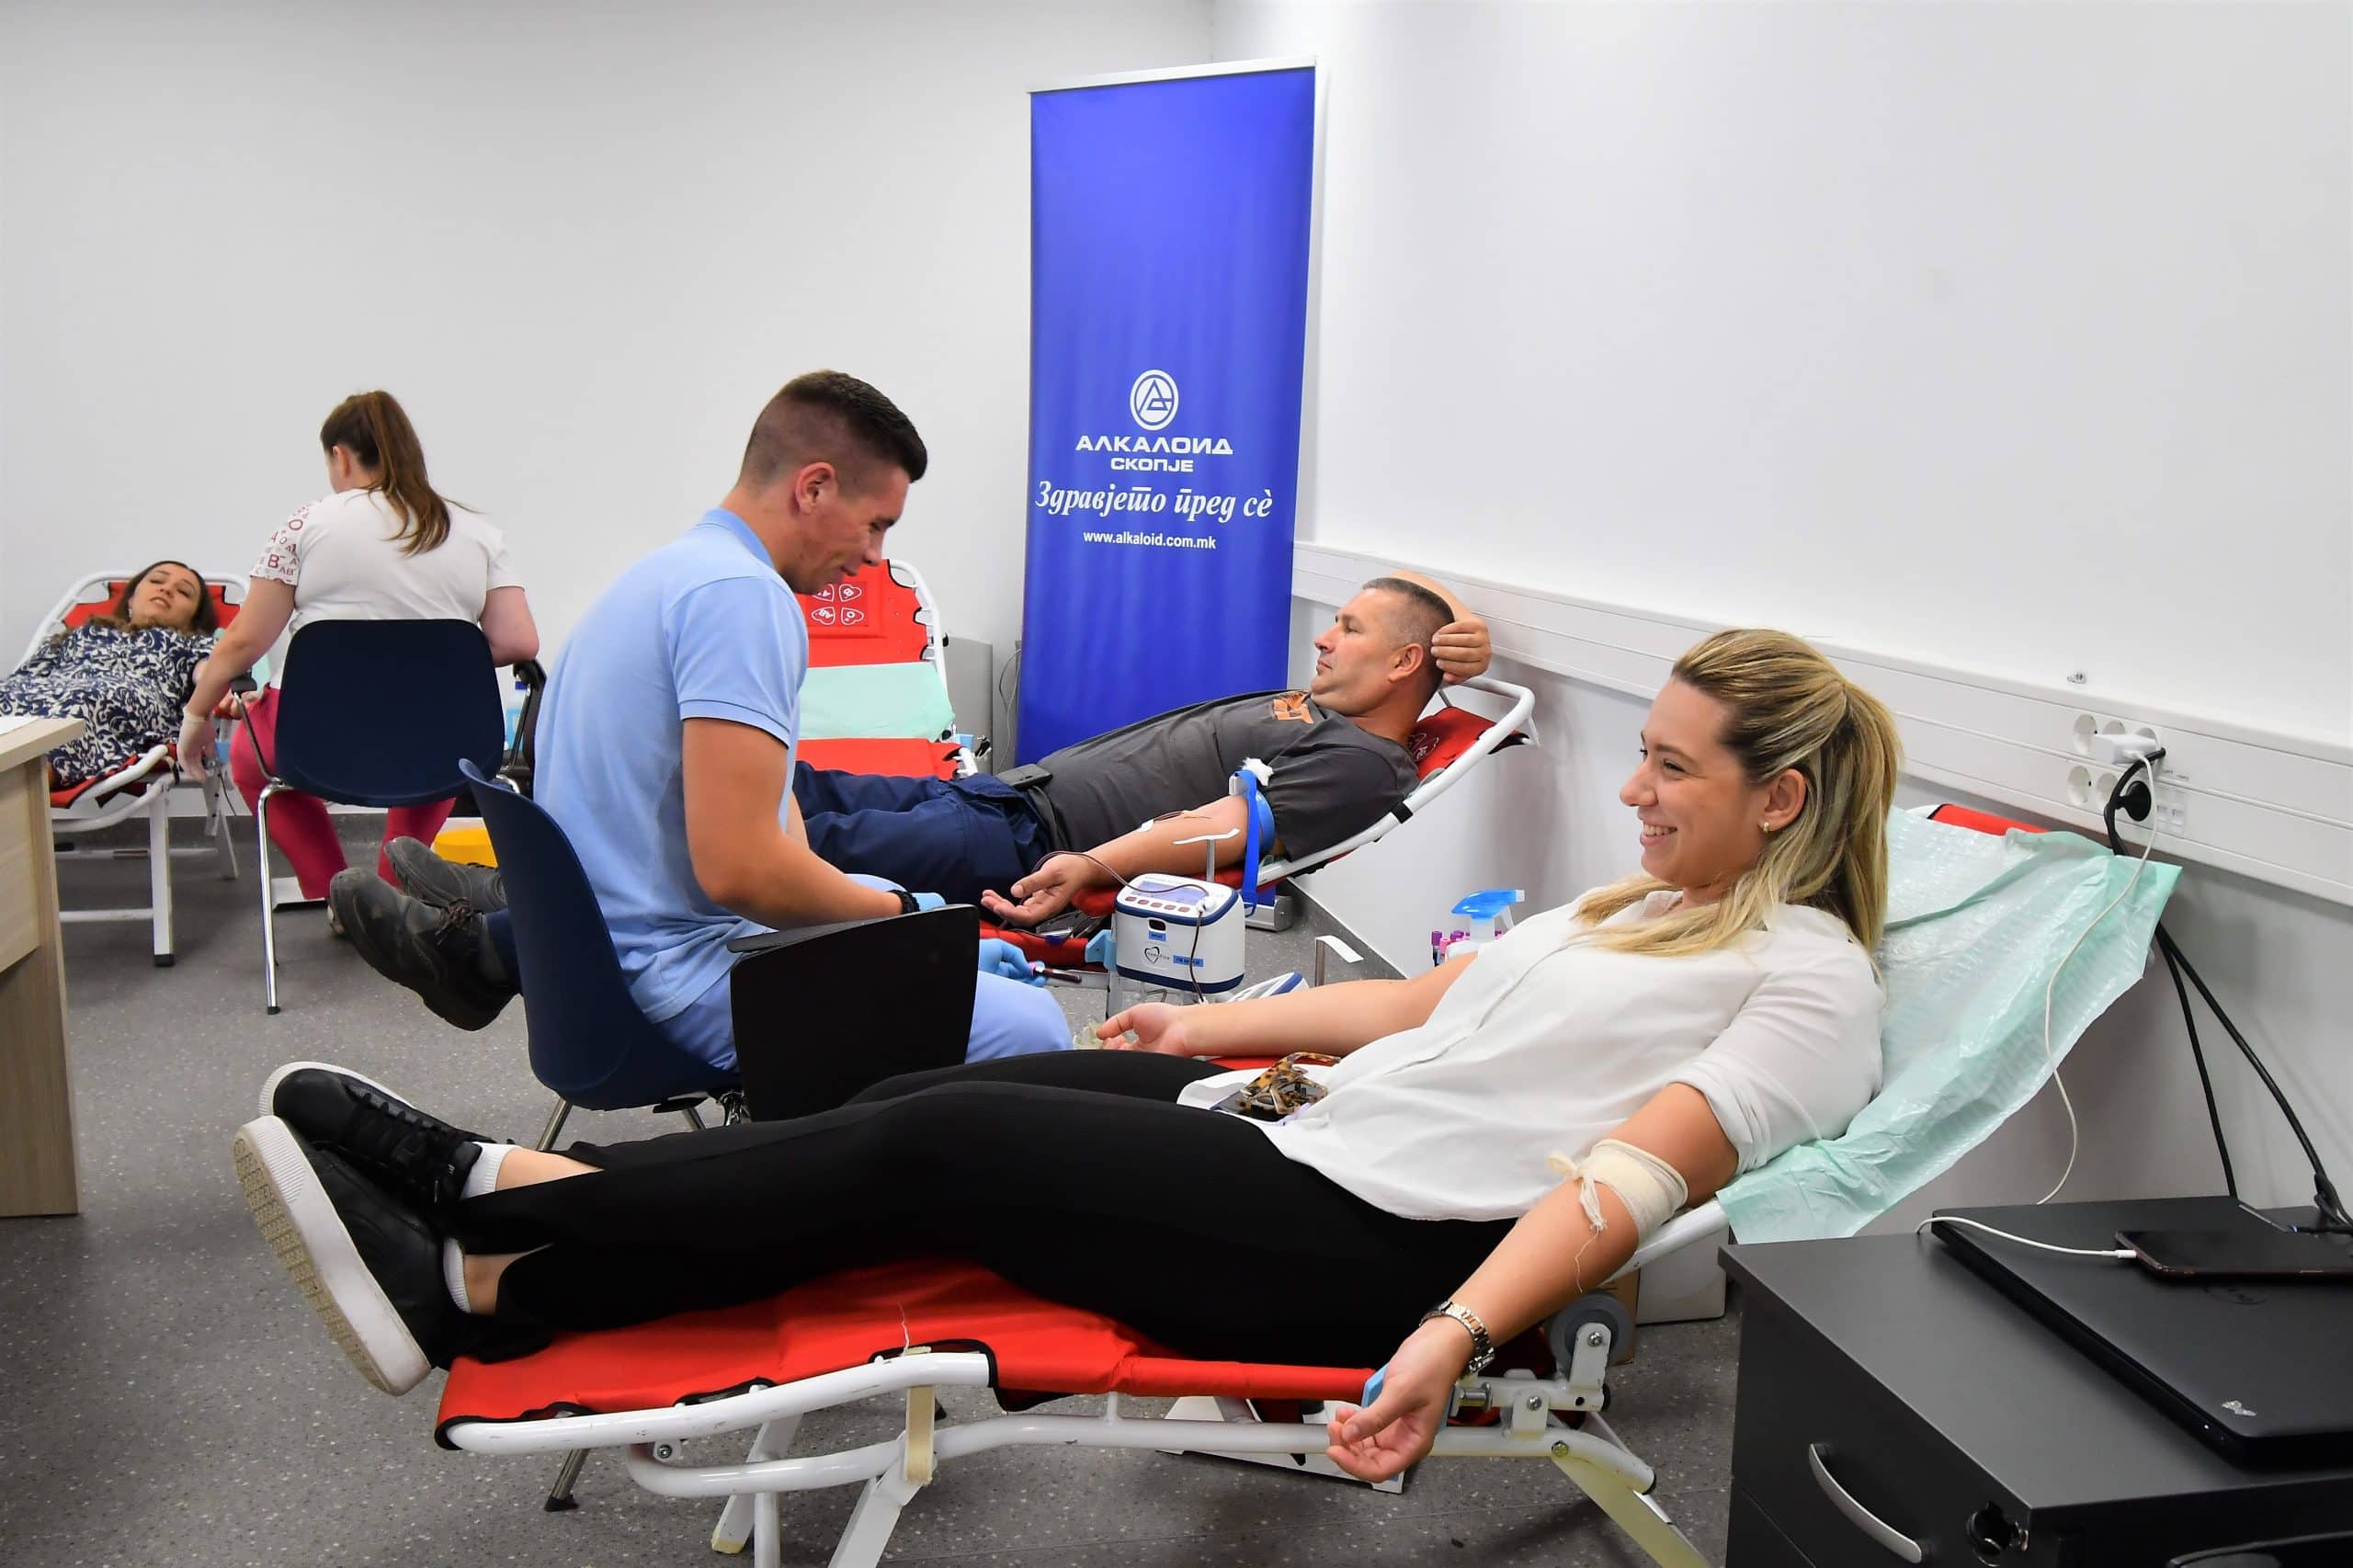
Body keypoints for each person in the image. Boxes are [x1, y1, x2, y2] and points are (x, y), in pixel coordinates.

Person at [233, 627, 1901, 1483]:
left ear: (1780, 800)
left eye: (1672, 768)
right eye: (1645, 756)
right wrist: (1202, 1026)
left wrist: (1455, 1333)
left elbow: (1626, 1183)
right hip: (1309, 1129)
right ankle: (536, 1212)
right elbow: (1420, 1012)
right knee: (929, 1093)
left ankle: (486, 1255)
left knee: (935, 1158)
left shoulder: (1809, 985)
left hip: (1381, 1248)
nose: (1634, 789)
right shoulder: (1638, 908)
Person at [343, 572, 1492, 1026]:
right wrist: (1463, 642)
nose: (1325, 636)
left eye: (1350, 628)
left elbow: (1231, 829)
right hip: (997, 798)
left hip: (1034, 840)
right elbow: (1435, 633)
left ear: (1403, 663)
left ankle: (490, 946)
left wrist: (1096, 866)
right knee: (771, 785)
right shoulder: (1327, 710)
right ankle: (513, 886)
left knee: (769, 843)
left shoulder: (1362, 759)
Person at [329, 371, 1066, 1062]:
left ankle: (489, 943)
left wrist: (920, 930)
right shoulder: (744, 600)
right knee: (1037, 1027)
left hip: (597, 958)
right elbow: (742, 872)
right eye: (875, 525)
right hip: (674, 979)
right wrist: (904, 917)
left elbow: (779, 828)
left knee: (932, 935)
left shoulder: (666, 575)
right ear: (814, 487)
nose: (876, 557)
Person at [176, 392, 540, 903]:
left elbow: (244, 641)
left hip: (318, 736)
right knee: (443, 757)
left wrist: (196, 716)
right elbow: (518, 641)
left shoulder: (303, 525)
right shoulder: (476, 531)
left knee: (252, 757)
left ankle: (336, 893)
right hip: (439, 732)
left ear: (340, 456)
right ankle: (394, 893)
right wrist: (428, 665)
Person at [2, 561, 220, 789]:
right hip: (53, 692)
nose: (166, 589)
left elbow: (210, 674)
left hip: (119, 701)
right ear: (131, 600)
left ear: (194, 616)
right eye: (157, 580)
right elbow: (25, 677)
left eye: (184, 592)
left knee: (79, 706)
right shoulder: (82, 632)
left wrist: (217, 694)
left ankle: (20, 787)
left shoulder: (192, 644)